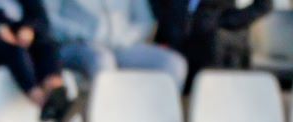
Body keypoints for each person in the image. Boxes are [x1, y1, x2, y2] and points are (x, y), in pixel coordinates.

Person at [44, 0, 188, 91]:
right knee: (102, 60)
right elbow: (48, 18)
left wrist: (126, 38)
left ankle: (158, 120)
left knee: (172, 63)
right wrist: (83, 34)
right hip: (78, 45)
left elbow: (145, 21)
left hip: (121, 46)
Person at [151, 0, 272, 90]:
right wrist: (165, 20)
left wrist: (227, 21)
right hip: (175, 46)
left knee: (213, 106)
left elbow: (264, 5)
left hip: (214, 50)